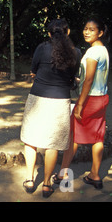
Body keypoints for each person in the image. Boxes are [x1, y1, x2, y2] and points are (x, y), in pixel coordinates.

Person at [20, 19, 81, 198]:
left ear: (49, 34)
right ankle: (47, 184)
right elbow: (73, 78)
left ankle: (30, 180)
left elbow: (34, 72)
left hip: (37, 98)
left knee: (31, 140)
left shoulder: (41, 48)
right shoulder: (75, 52)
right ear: (67, 32)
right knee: (53, 144)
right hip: (60, 101)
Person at [55, 18, 110, 189]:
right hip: (102, 98)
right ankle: (95, 174)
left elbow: (89, 80)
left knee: (73, 136)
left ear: (100, 32)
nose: (87, 32)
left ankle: (63, 173)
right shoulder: (103, 50)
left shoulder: (93, 53)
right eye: (85, 28)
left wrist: (79, 104)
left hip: (90, 99)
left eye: (92, 29)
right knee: (97, 137)